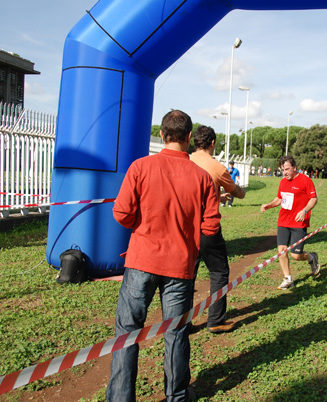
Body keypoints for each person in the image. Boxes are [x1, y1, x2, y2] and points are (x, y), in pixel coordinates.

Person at [107, 110, 220, 402]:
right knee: (177, 332)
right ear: (188, 137)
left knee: (127, 333)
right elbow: (211, 225)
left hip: (141, 261)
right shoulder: (203, 178)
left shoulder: (140, 167)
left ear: (162, 134)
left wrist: (142, 226)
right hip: (180, 266)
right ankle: (177, 395)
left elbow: (121, 212)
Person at [190, 126, 246, 333]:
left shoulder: (185, 161)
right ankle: (215, 320)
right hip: (208, 227)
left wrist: (216, 196)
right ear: (212, 143)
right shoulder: (216, 167)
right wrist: (242, 193)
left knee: (188, 275)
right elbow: (235, 191)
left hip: (185, 227)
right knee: (219, 272)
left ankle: (182, 323)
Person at [260, 155, 320, 289]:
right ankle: (288, 279)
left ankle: (311, 258)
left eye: (287, 169)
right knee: (281, 250)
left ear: (294, 168)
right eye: (283, 170)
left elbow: (313, 199)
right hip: (283, 221)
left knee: (296, 255)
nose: (285, 172)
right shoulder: (283, 182)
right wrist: (269, 205)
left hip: (299, 222)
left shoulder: (305, 180)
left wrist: (304, 210)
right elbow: (279, 198)